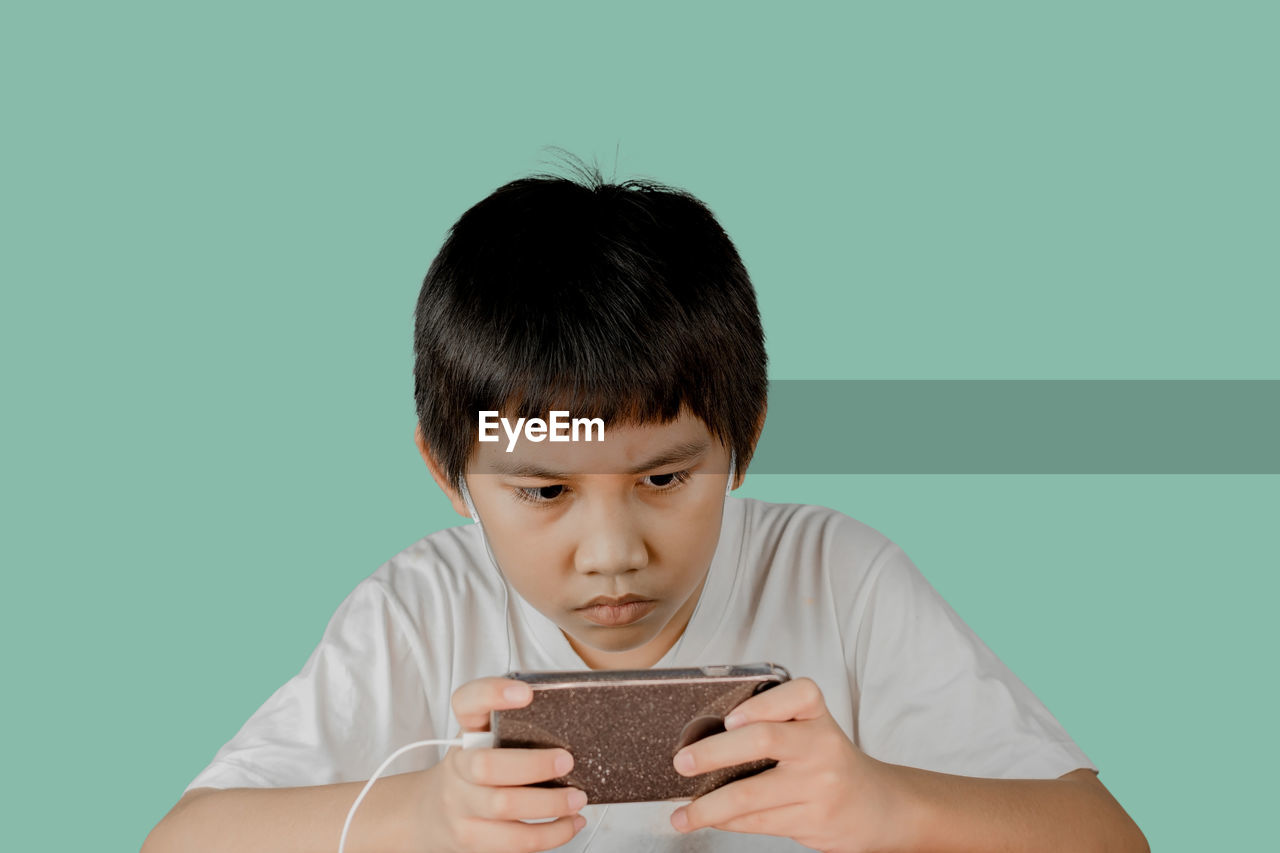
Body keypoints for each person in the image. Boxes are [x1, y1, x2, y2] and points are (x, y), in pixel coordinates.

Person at [142, 159, 1148, 852]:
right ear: (448, 472)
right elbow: (180, 840)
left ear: (741, 439)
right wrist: (420, 815)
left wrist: (890, 803)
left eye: (663, 479)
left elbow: (1108, 838)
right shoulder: (418, 608)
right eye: (544, 489)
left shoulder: (837, 577)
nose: (611, 551)